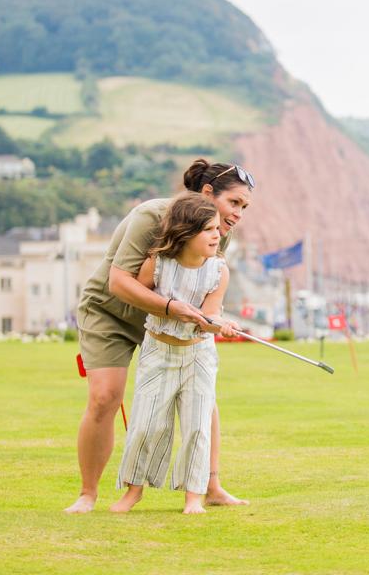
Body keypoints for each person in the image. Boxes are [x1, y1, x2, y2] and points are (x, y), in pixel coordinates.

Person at [64, 159, 255, 514]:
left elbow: (209, 291)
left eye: (244, 207)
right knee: (105, 397)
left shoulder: (219, 236)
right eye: (234, 203)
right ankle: (87, 495)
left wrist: (215, 321)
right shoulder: (151, 217)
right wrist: (171, 308)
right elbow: (119, 283)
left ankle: (209, 486)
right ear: (208, 192)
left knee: (203, 398)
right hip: (112, 313)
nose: (238, 214)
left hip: (170, 327)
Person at [110, 192, 238, 514]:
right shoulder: (158, 263)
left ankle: (194, 496)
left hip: (198, 356)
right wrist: (171, 310)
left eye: (216, 228)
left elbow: (208, 318)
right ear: (186, 233)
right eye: (208, 229)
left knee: (197, 425)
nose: (216, 234)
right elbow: (139, 296)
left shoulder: (218, 271)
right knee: (146, 423)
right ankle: (133, 491)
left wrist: (219, 324)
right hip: (158, 351)